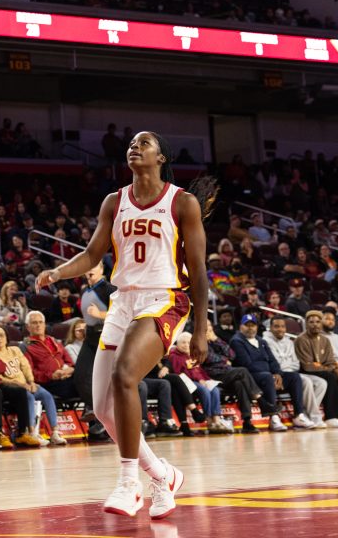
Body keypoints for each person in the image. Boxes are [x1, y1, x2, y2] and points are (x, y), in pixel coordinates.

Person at [36, 132, 215, 519]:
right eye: (132, 144)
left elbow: (198, 271)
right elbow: (92, 255)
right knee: (102, 408)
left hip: (164, 298)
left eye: (144, 143)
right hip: (123, 301)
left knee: (125, 375)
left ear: (161, 156)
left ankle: (129, 482)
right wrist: (58, 272)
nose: (135, 147)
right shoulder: (114, 201)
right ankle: (162, 475)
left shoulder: (182, 202)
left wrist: (200, 329)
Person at [0, 324, 65, 446]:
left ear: (6, 338)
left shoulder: (15, 350)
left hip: (26, 383)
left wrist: (31, 381)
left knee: (47, 395)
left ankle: (55, 432)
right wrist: (19, 384)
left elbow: (26, 366)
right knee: (28, 397)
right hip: (12, 387)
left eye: (1, 335)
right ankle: (31, 432)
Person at [229, 314, 302, 432]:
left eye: (253, 325)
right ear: (241, 327)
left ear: (257, 327)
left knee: (294, 377)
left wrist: (278, 374)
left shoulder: (261, 341)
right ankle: (273, 417)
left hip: (267, 375)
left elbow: (273, 360)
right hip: (250, 376)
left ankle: (299, 415)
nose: (250, 328)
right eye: (247, 325)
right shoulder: (237, 341)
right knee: (268, 377)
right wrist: (271, 375)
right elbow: (246, 364)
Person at [295, 310, 338, 428]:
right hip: (308, 371)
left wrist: (337, 369)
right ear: (306, 324)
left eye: (318, 322)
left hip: (324, 369)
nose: (315, 324)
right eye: (311, 322)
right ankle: (332, 416)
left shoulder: (325, 340)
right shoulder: (301, 339)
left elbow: (331, 360)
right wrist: (331, 370)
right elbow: (307, 364)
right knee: (330, 377)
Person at [261, 316, 324, 429]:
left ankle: (305, 412)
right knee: (306, 381)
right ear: (270, 328)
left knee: (321, 383)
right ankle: (314, 417)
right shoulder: (265, 342)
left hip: (293, 373)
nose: (280, 329)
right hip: (279, 375)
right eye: (276, 326)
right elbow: (274, 364)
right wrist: (285, 367)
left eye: (282, 326)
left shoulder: (289, 342)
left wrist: (286, 366)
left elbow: (296, 364)